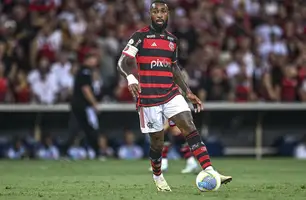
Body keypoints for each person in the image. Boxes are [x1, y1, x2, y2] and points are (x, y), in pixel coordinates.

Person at [117, 0, 232, 192]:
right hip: (149, 99)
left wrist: (187, 91)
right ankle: (158, 176)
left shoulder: (172, 40)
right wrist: (130, 77)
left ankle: (210, 170)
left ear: (168, 14)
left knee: (189, 126)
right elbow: (122, 61)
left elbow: (174, 67)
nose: (160, 15)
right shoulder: (140, 37)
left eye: (163, 11)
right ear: (150, 15)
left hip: (171, 93)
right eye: (156, 12)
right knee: (157, 143)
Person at [68, 53, 100, 156]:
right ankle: (96, 151)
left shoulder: (82, 71)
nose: (95, 62)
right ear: (88, 59)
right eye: (94, 59)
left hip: (77, 105)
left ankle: (69, 150)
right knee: (89, 129)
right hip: (83, 106)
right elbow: (86, 89)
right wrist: (94, 104)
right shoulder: (85, 71)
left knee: (78, 129)